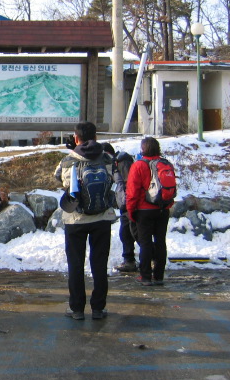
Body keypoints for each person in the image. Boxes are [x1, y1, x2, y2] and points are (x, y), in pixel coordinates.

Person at [55, 122, 115, 320]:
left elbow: (59, 178)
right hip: (102, 218)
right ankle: (98, 308)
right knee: (99, 263)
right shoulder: (107, 157)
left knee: (76, 263)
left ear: (76, 137)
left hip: (76, 219)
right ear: (95, 136)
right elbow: (113, 178)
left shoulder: (68, 160)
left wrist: (74, 152)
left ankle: (77, 309)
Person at [125, 137, 172, 287]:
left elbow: (132, 192)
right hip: (162, 209)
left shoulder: (138, 165)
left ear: (143, 149)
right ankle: (159, 276)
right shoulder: (165, 164)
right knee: (160, 242)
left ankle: (145, 276)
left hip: (143, 210)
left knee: (145, 243)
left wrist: (130, 211)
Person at [101, 143, 138, 273]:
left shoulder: (122, 161)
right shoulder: (112, 164)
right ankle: (130, 260)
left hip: (131, 202)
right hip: (124, 203)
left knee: (134, 233)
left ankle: (150, 258)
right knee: (126, 233)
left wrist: (130, 201)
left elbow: (130, 182)